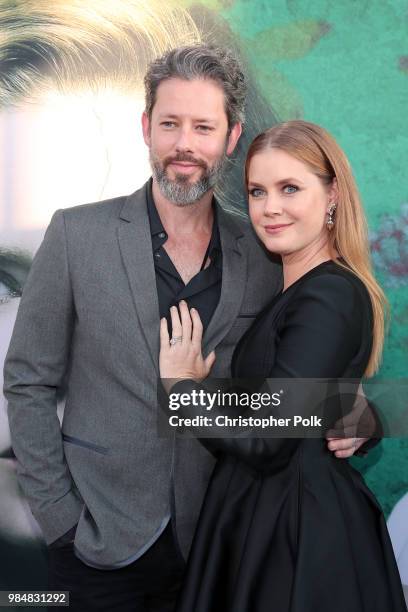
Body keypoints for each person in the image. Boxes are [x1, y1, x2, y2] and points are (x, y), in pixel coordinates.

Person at [4, 44, 374, 612]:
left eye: (203, 126)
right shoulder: (79, 235)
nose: (184, 143)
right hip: (99, 544)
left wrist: (353, 415)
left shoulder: (268, 248)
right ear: (147, 127)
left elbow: (297, 364)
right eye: (171, 123)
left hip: (221, 542)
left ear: (231, 137)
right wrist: (61, 521)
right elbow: (28, 381)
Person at [159, 120, 406, 611]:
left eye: (289, 188)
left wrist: (181, 388)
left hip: (293, 537)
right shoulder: (302, 288)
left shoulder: (328, 295)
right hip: (268, 519)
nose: (270, 207)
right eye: (257, 191)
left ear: (332, 193)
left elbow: (266, 438)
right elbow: (277, 407)